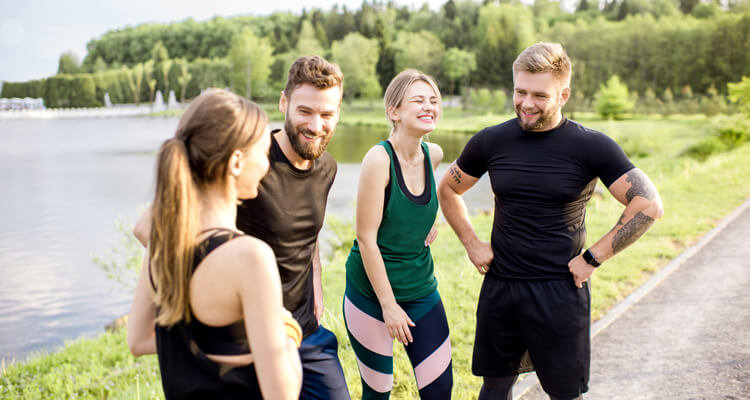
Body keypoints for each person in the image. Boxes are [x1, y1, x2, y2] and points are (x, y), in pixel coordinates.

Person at [437, 42, 664, 400]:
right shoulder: (491, 140)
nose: (526, 103)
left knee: (563, 393)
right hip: (502, 288)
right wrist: (471, 243)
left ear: (564, 94)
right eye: (520, 91)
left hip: (560, 291)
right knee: (494, 389)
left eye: (540, 95)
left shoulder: (591, 146)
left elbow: (648, 204)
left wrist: (593, 258)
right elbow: (448, 190)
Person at [136, 55, 351, 399]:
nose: (316, 125)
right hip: (248, 334)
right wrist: (208, 298)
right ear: (284, 102)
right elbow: (150, 226)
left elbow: (307, 234)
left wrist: (316, 281)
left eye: (327, 114)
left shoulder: (327, 167)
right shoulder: (248, 158)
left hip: (305, 330)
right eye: (305, 112)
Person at [127, 89, 303, 399]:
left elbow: (139, 340)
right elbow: (283, 394)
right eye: (264, 154)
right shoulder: (250, 257)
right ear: (236, 162)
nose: (268, 165)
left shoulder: (164, 246)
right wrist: (286, 331)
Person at [343, 69, 452, 399]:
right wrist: (388, 306)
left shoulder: (433, 154)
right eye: (418, 100)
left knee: (439, 390)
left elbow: (418, 203)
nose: (428, 106)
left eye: (433, 100)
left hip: (420, 288)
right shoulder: (378, 160)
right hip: (370, 295)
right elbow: (366, 237)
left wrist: (427, 222)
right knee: (378, 394)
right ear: (394, 112)